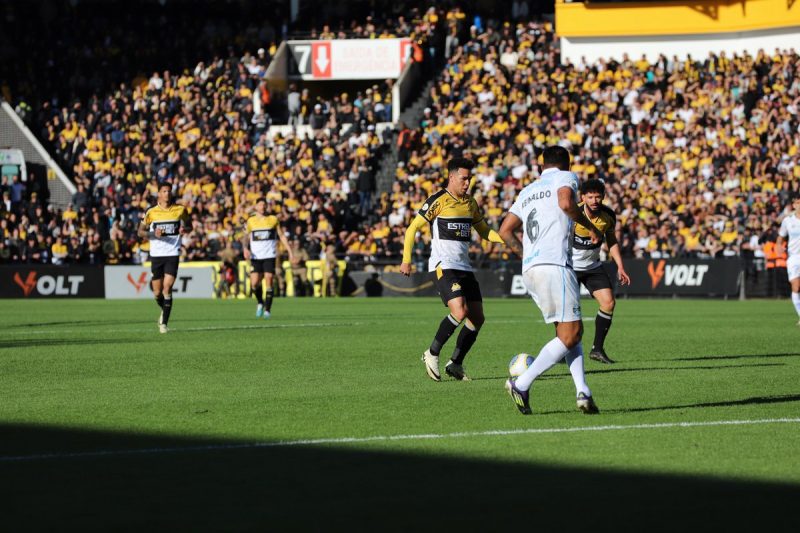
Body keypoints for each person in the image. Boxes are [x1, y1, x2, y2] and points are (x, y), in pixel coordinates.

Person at [498, 146, 602, 415]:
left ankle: (582, 391)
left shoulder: (528, 189)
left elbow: (505, 230)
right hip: (555, 263)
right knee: (572, 332)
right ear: (567, 163)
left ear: (541, 165)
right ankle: (522, 383)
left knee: (568, 331)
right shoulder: (565, 178)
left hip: (531, 268)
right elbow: (566, 203)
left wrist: (526, 256)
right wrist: (590, 227)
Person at [400, 157, 505, 381]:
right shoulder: (438, 200)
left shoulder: (470, 203)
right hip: (443, 265)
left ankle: (456, 363)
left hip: (464, 267)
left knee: (477, 318)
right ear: (451, 177)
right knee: (460, 311)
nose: (467, 183)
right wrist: (406, 259)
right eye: (463, 179)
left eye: (469, 179)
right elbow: (412, 229)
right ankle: (432, 353)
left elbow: (484, 231)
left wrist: (506, 241)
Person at [572, 179, 631, 363]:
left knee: (608, 303)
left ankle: (597, 349)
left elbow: (611, 241)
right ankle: (564, 349)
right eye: (590, 197)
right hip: (569, 267)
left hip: (592, 267)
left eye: (598, 196)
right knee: (568, 314)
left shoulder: (608, 215)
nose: (594, 200)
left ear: (603, 197)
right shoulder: (573, 213)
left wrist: (620, 266)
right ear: (583, 197)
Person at [137, 181, 190, 334]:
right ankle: (164, 310)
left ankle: (164, 323)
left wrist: (184, 229)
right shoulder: (151, 212)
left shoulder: (180, 210)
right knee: (157, 293)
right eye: (164, 191)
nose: (167, 193)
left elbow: (189, 225)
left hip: (172, 253)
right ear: (159, 194)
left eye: (169, 191)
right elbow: (140, 232)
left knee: (168, 287)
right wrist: (153, 234)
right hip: (156, 255)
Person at [242, 198, 294, 318]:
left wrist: (290, 252)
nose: (263, 207)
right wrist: (245, 248)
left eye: (264, 205)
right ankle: (260, 302)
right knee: (254, 283)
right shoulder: (251, 221)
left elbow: (281, 236)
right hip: (255, 256)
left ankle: (267, 310)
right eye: (260, 205)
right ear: (256, 207)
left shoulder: (273, 219)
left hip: (269, 255)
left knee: (269, 279)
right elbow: (245, 237)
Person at [776, 196, 800, 325]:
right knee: (796, 286)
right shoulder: (788, 221)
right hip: (794, 257)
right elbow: (781, 237)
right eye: (798, 203)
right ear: (794, 205)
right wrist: (778, 246)